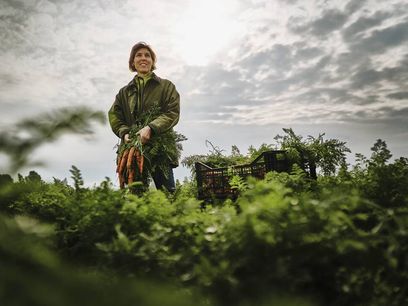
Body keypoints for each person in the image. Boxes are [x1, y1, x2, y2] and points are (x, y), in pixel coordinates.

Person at [108, 42, 180, 192]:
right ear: (132, 62)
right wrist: (124, 132)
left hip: (160, 151)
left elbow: (172, 112)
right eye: (138, 55)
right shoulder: (124, 93)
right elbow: (115, 116)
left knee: (168, 195)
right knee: (137, 200)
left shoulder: (166, 87)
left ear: (152, 61)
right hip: (132, 152)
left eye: (147, 55)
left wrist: (151, 128)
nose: (143, 58)